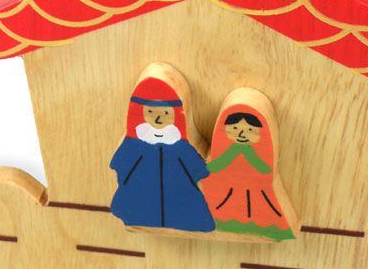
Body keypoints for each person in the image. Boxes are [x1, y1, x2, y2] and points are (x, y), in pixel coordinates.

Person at [109, 77, 214, 232]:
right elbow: (120, 164)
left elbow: (197, 168)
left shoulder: (179, 145)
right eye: (150, 112)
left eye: (165, 113)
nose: (158, 118)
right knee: (141, 211)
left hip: (179, 200)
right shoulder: (134, 143)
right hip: (142, 200)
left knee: (184, 213)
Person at [201, 105, 294, 241]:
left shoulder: (251, 151)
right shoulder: (232, 149)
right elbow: (218, 164)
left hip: (253, 188)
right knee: (229, 207)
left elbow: (263, 169)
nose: (241, 134)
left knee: (252, 208)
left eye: (250, 130)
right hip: (230, 187)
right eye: (235, 129)